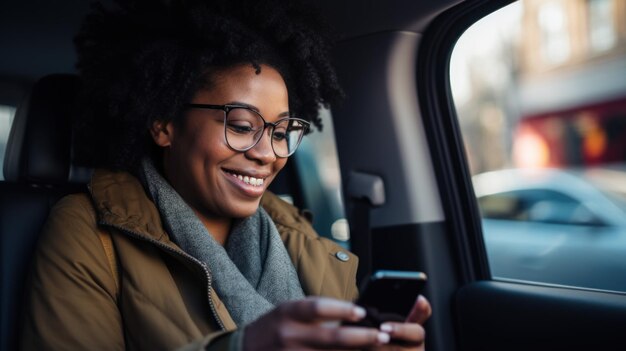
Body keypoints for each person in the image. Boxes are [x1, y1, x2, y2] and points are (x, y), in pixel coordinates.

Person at [20, 0, 432, 350]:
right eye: (240, 126)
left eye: (282, 131)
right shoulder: (86, 233)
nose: (267, 154)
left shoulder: (308, 245)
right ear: (163, 124)